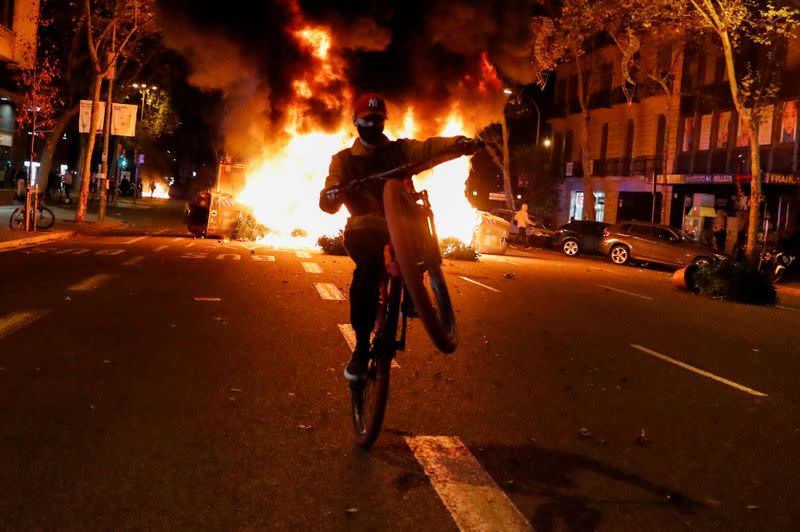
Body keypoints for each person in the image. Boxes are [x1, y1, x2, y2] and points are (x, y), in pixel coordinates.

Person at [319, 93, 482, 381]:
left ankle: (416, 288)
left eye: (378, 120)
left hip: (404, 226)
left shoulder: (400, 151)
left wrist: (460, 145)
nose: (373, 124)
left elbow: (430, 149)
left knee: (420, 230)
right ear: (356, 122)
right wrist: (331, 194)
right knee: (366, 275)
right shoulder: (344, 160)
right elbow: (331, 191)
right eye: (368, 120)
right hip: (365, 230)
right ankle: (360, 349)